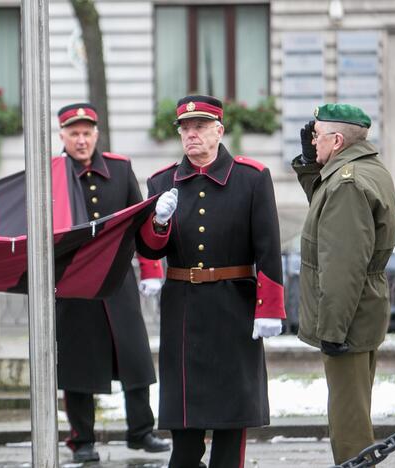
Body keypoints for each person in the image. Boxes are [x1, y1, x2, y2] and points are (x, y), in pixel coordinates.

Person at [136, 95, 285, 468]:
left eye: (200, 127)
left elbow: (268, 247)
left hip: (235, 307)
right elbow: (150, 251)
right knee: (185, 434)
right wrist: (157, 223)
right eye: (185, 128)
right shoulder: (162, 181)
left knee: (231, 427)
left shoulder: (252, 178)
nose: (191, 135)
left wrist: (270, 309)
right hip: (183, 311)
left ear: (219, 130)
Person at [54, 103, 170, 463]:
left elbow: (139, 222)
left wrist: (151, 270)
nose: (81, 139)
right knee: (78, 366)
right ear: (63, 136)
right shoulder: (52, 174)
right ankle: (82, 440)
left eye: (87, 132)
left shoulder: (119, 170)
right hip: (73, 285)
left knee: (134, 357)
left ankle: (140, 432)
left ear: (96, 134)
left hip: (117, 280)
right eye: (74, 133)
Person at [293, 104, 395, 464]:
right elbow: (327, 211)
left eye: (317, 135)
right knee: (354, 412)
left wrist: (333, 329)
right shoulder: (361, 170)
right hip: (363, 310)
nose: (312, 139)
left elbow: (342, 265)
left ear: (337, 141)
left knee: (349, 424)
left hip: (349, 319)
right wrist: (310, 164)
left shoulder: (348, 184)